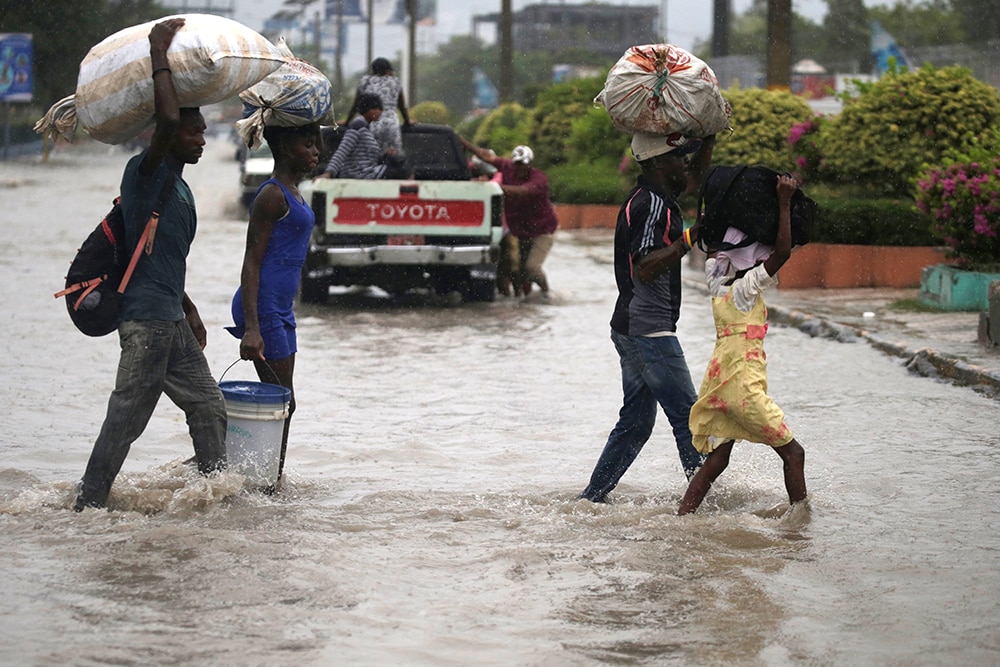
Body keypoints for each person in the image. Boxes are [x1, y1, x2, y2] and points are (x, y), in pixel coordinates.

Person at [74, 18, 227, 511]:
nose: (201, 138)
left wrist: (189, 309)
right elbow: (162, 120)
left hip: (169, 320)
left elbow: (157, 256)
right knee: (127, 418)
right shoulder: (145, 172)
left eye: (203, 130)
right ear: (171, 133)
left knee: (208, 407)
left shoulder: (178, 186)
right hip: (145, 323)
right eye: (193, 130)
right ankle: (88, 504)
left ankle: (212, 496)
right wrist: (159, 50)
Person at [578, 132, 715, 503]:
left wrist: (710, 135)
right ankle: (704, 508)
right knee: (690, 420)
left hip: (630, 326)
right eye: (677, 157)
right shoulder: (651, 206)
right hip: (648, 329)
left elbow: (696, 177)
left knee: (636, 424)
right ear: (657, 163)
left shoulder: (657, 197)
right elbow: (647, 266)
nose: (685, 162)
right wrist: (691, 239)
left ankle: (591, 500)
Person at [677, 174, 807, 515]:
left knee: (718, 459)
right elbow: (782, 252)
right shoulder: (747, 288)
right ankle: (801, 527)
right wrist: (782, 203)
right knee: (794, 454)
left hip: (720, 383)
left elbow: (715, 246)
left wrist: (717, 205)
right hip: (743, 387)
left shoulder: (717, 282)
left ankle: (682, 518)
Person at [226, 122, 321, 490]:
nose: (315, 151)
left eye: (315, 144)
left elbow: (320, 149)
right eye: (306, 144)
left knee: (284, 402)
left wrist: (313, 120)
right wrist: (252, 327)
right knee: (285, 402)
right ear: (283, 148)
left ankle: (259, 476)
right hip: (262, 306)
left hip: (282, 308)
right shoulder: (272, 195)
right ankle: (266, 483)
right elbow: (251, 261)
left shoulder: (294, 191)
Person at [458, 139, 558, 296]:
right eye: (517, 164)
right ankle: (527, 303)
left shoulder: (539, 179)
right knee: (520, 273)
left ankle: (546, 293)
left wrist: (491, 186)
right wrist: (465, 143)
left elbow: (522, 191)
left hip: (543, 231)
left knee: (532, 268)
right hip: (521, 231)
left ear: (530, 164)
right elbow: (487, 156)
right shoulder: (507, 167)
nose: (520, 168)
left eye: (523, 164)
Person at [317, 94, 406, 180]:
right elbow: (343, 150)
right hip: (359, 173)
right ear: (369, 109)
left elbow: (368, 157)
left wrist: (385, 155)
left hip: (365, 172)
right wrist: (329, 173)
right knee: (404, 171)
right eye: (377, 108)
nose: (380, 112)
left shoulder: (366, 128)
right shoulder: (358, 125)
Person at [343, 57, 411, 154]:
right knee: (393, 158)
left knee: (370, 156)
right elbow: (402, 106)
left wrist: (347, 122)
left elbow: (356, 105)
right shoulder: (395, 82)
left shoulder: (365, 81)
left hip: (369, 124)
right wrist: (407, 121)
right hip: (391, 125)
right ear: (388, 71)